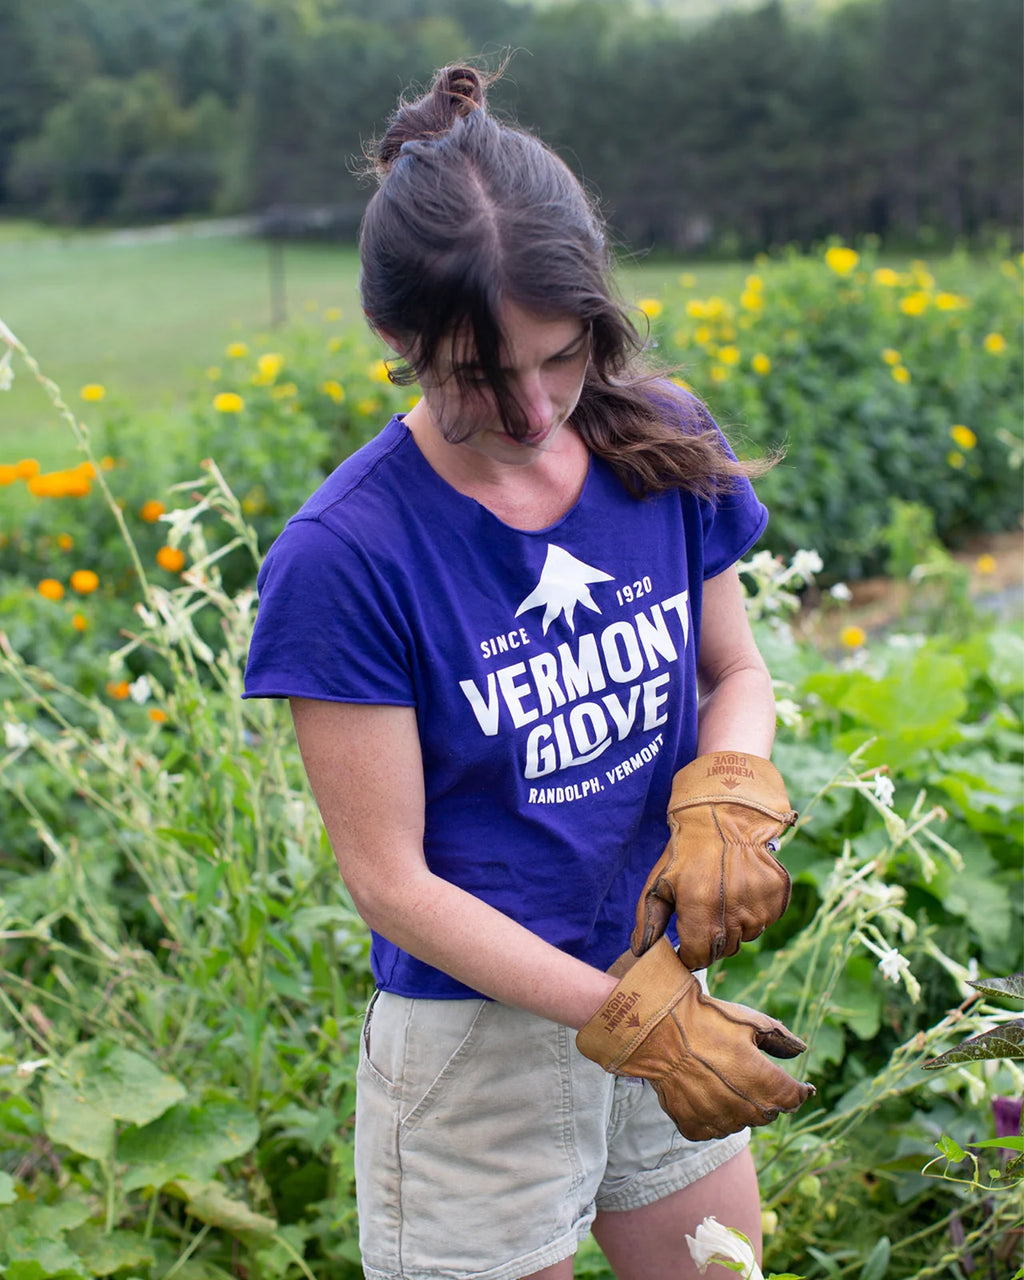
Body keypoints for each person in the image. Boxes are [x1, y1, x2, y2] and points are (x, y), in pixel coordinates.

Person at [243, 64, 813, 1280]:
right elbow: (392, 883)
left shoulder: (657, 436)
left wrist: (726, 796)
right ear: (396, 341)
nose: (531, 407)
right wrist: (635, 1024)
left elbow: (735, 668)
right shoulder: (346, 554)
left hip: (665, 978)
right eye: (474, 374)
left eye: (558, 356)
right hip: (477, 1043)